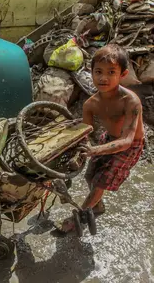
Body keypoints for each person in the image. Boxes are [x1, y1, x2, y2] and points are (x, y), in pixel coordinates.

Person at [58, 44, 145, 233]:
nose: (103, 78)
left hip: (130, 146)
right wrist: (79, 141)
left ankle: (80, 216)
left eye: (111, 72)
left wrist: (95, 150)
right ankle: (97, 205)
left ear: (123, 74)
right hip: (108, 139)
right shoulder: (91, 104)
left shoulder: (131, 101)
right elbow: (86, 133)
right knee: (90, 175)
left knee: (100, 183)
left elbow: (128, 140)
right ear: (91, 73)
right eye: (98, 71)